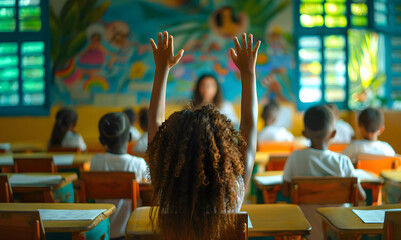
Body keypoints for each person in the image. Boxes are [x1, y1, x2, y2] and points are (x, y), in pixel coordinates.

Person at [147, 31, 260, 240]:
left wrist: (161, 69)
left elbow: (154, 125)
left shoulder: (165, 184)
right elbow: (249, 125)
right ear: (223, 146)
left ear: (173, 145)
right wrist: (248, 73)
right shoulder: (233, 187)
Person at [282, 105, 365, 240]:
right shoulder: (343, 161)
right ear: (333, 134)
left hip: (307, 232)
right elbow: (360, 196)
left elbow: (286, 192)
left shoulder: (295, 158)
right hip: (340, 233)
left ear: (304, 134)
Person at [90, 112, 148, 240]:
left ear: (101, 140)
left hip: (101, 232)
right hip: (130, 232)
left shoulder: (95, 161)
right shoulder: (138, 164)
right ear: (130, 136)